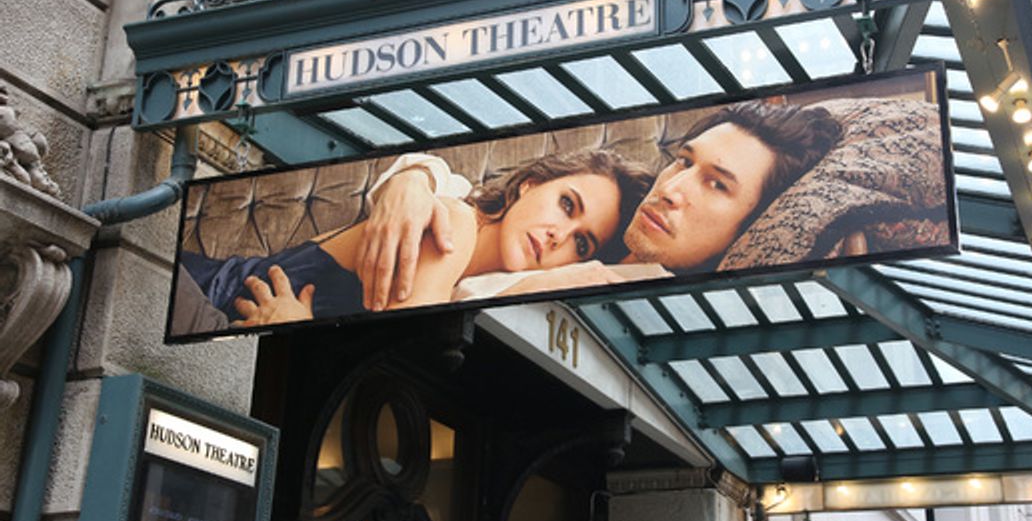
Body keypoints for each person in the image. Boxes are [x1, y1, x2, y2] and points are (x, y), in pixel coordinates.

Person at [358, 101, 841, 304]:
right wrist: (416, 177)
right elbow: (471, 207)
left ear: (749, 228)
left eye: (717, 185)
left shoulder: (647, 295)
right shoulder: (613, 229)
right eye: (683, 162)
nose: (672, 189)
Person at [178, 149, 653, 326]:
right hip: (197, 293)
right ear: (529, 185)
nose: (559, 236)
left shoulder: (472, 282)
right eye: (567, 205)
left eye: (582, 243)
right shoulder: (455, 224)